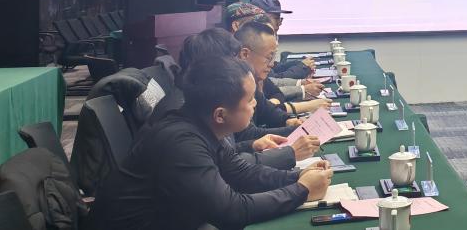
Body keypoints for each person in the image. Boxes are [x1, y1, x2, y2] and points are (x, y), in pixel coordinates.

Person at [91, 56, 333, 229]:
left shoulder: (199, 124)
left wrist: (298, 176)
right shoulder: (181, 142)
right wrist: (301, 191)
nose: (255, 104)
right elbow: (232, 211)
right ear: (220, 115)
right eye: (249, 100)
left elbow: (242, 173)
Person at [150, 28, 320, 169]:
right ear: (214, 67)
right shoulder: (185, 113)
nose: (239, 65)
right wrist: (297, 177)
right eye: (235, 60)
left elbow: (225, 155)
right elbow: (227, 177)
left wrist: (252, 145)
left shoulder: (204, 96)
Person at [234, 22, 329, 128]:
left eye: (273, 57)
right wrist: (293, 127)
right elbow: (248, 134)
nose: (272, 64)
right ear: (245, 54)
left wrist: (288, 120)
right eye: (269, 57)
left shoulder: (254, 76)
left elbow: (277, 94)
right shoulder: (235, 82)